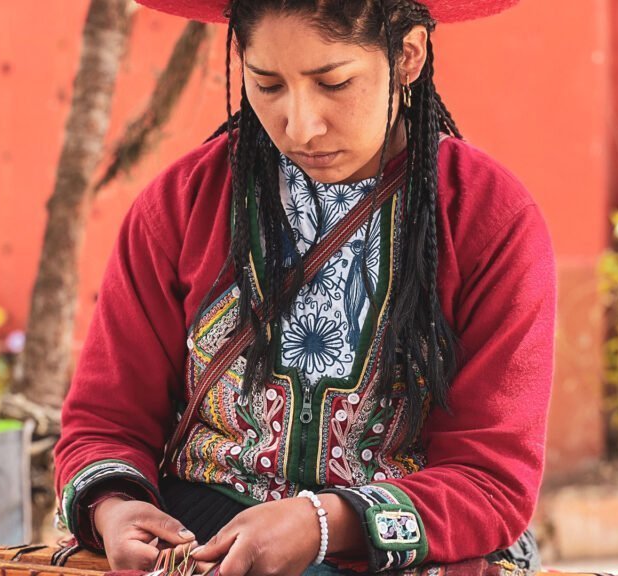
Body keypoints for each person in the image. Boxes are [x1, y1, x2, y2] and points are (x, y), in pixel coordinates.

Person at [53, 1, 555, 574]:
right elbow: (104, 421)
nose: (300, 124)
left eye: (334, 82)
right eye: (267, 85)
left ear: (408, 55)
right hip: (206, 538)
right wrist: (117, 508)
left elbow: (492, 481)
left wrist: (324, 523)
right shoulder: (183, 206)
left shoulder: (488, 219)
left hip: (403, 555)